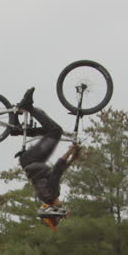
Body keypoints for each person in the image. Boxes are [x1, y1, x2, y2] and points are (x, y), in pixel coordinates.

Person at [8, 88, 82, 229]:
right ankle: (16, 129)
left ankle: (27, 106)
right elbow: (58, 172)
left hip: (33, 159)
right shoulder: (50, 194)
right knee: (48, 131)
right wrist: (73, 158)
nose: (62, 205)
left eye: (60, 209)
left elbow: (58, 167)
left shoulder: (51, 194)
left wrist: (71, 150)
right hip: (33, 160)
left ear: (54, 208)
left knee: (56, 131)